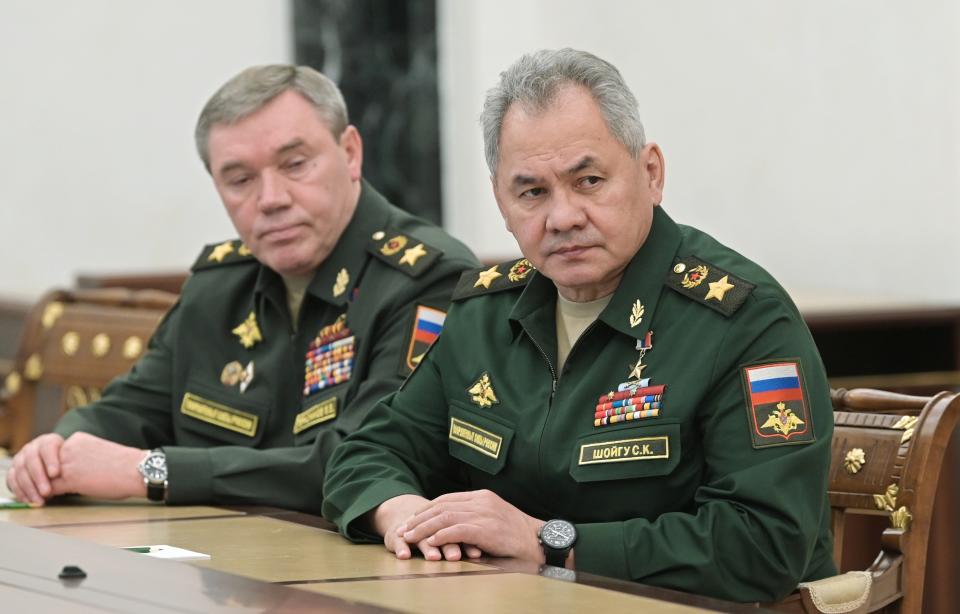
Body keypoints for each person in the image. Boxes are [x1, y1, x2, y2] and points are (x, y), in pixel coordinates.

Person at [322, 49, 836, 602]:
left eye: (588, 180)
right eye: (533, 192)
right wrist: (409, 517)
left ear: (651, 173)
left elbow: (764, 544)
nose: (563, 217)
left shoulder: (742, 319)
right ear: (501, 200)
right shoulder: (485, 311)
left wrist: (549, 545)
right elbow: (366, 453)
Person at [5, 65, 478, 514]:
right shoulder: (221, 284)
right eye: (240, 179)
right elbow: (129, 409)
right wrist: (58, 450)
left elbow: (360, 462)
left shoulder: (425, 278)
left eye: (295, 165)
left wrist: (153, 472)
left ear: (350, 153)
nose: (271, 199)